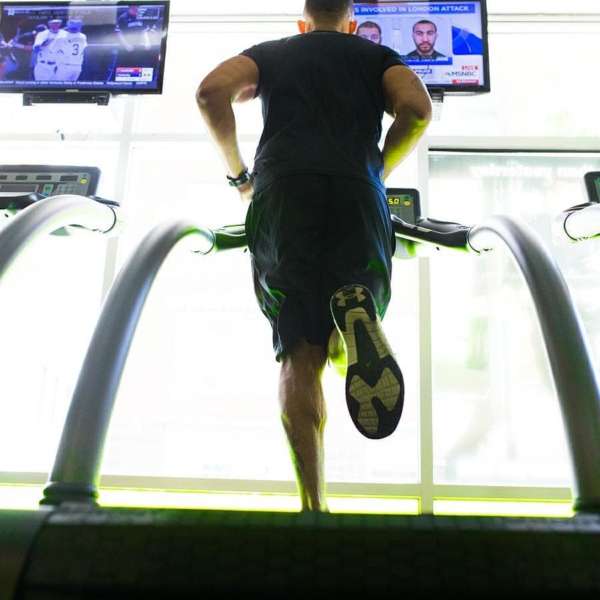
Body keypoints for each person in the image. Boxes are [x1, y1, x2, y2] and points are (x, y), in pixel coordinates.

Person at [196, 0, 432, 512]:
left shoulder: (274, 53)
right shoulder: (376, 56)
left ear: (302, 23)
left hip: (283, 193)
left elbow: (210, 92)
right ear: (352, 24)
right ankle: (352, 325)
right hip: (357, 194)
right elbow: (417, 111)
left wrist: (240, 176)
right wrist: (377, 169)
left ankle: (314, 506)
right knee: (350, 304)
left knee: (299, 354)